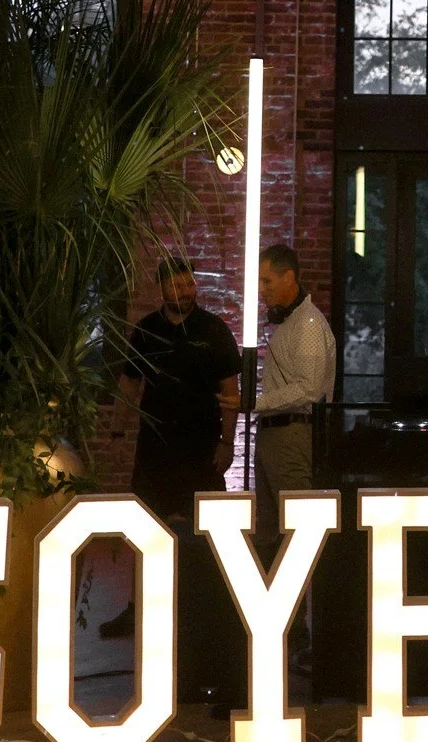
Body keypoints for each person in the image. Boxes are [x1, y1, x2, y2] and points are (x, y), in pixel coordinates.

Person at [101, 256, 240, 663]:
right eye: (176, 285)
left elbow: (230, 392)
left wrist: (228, 443)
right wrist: (116, 429)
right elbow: (129, 384)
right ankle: (138, 606)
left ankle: (206, 607)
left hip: (200, 450)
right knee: (145, 531)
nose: (185, 291)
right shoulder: (146, 331)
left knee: (204, 534)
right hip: (155, 449)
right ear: (161, 289)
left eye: (189, 284)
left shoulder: (214, 331)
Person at [253, 243, 337, 553]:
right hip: (276, 433)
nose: (262, 290)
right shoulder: (291, 324)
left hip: (292, 432)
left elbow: (308, 388)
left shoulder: (309, 325)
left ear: (289, 277)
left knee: (297, 525)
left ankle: (303, 596)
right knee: (271, 528)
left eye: (267, 281)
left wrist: (254, 403)